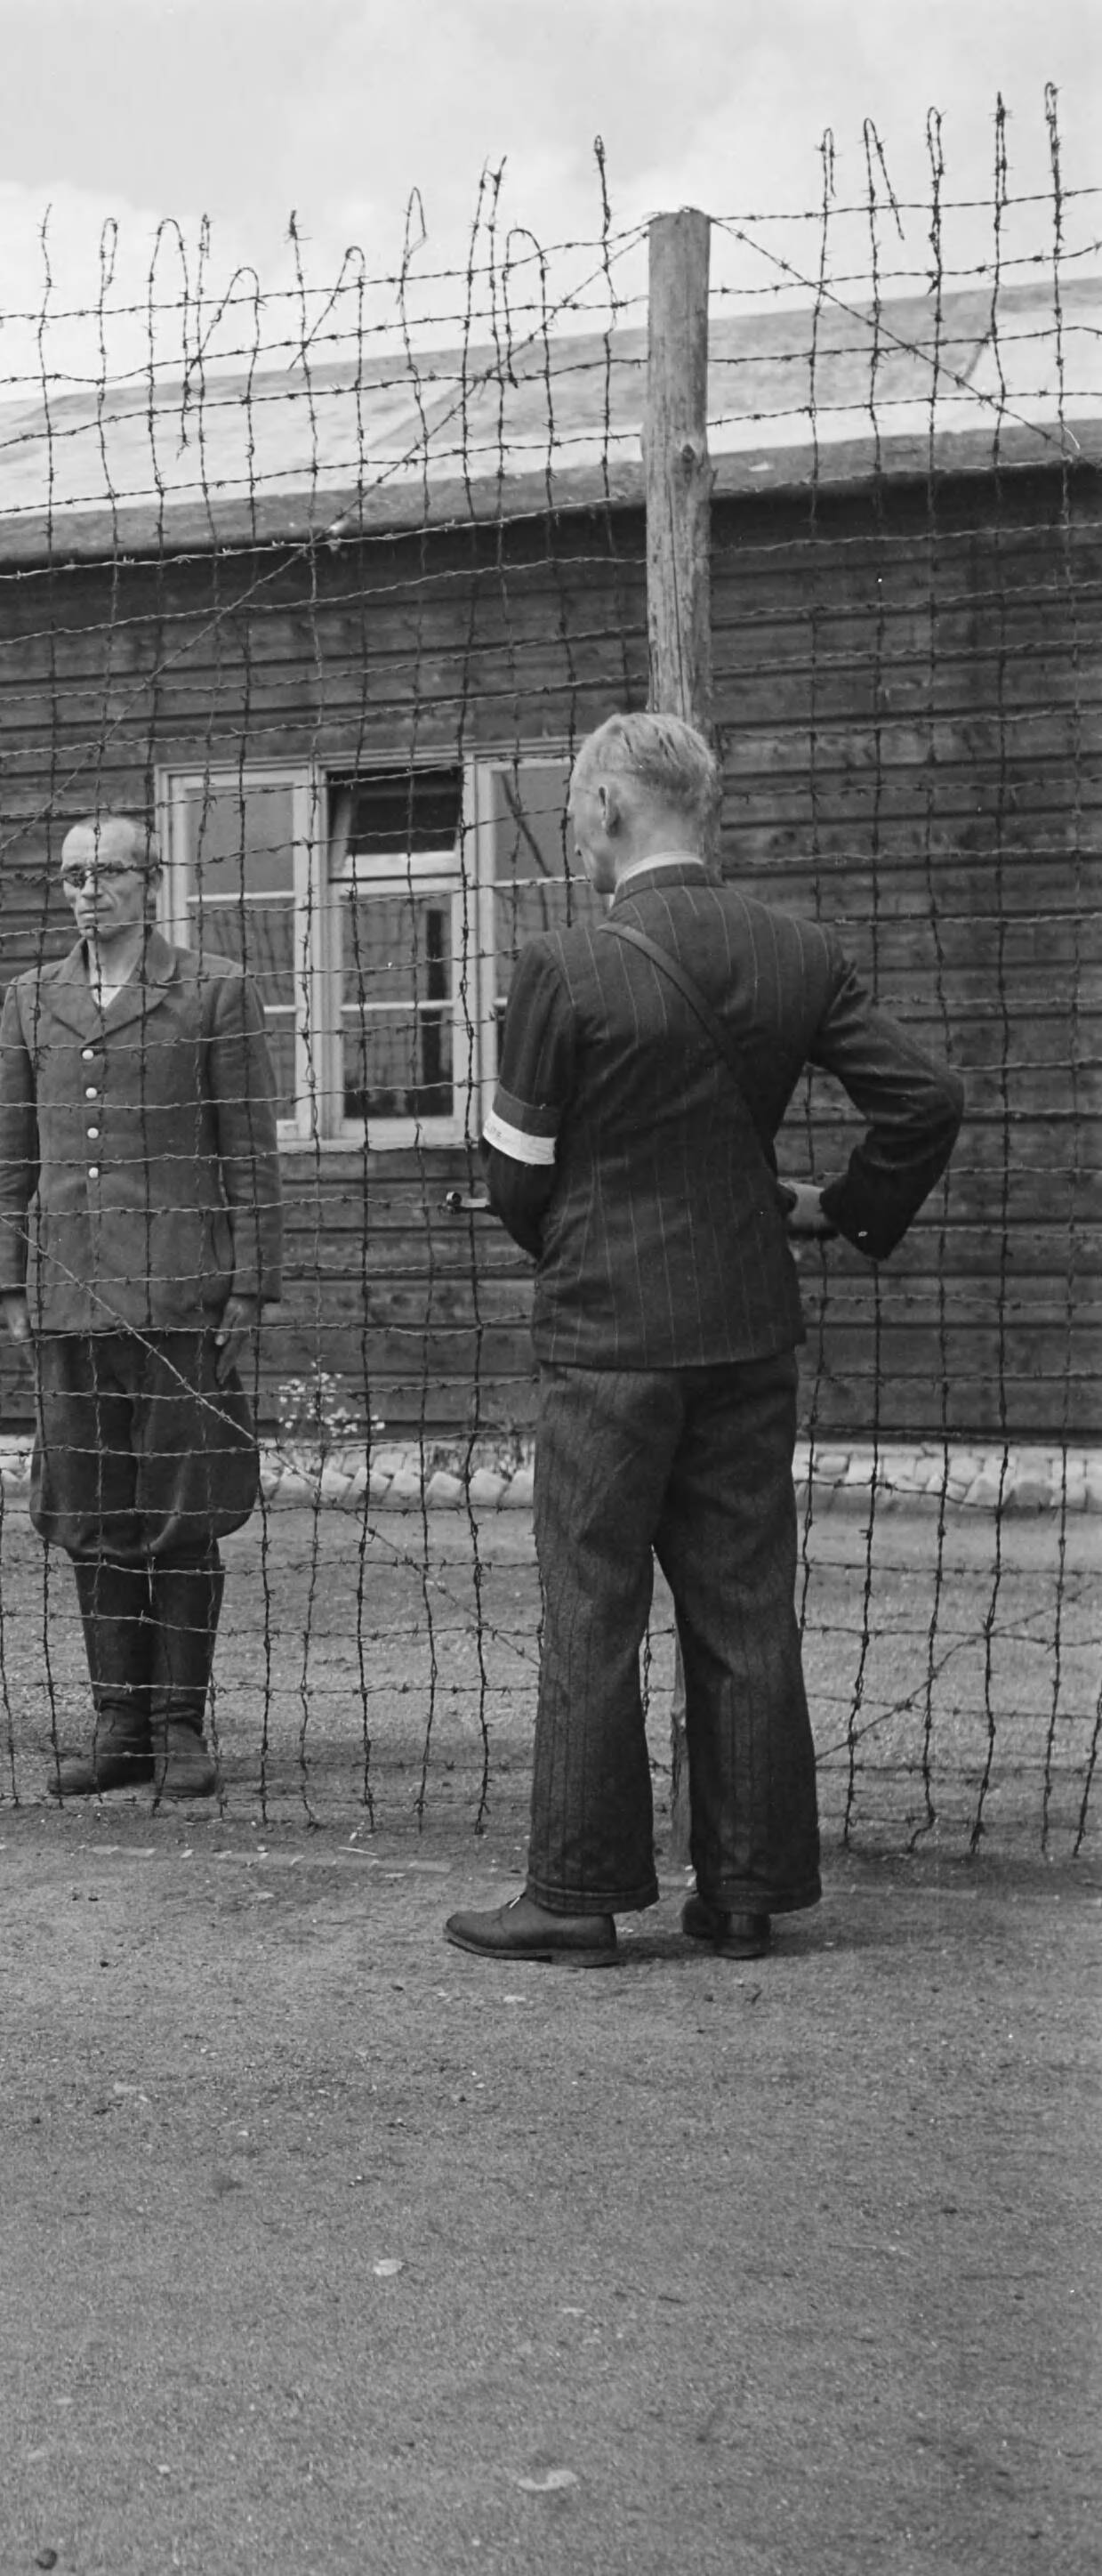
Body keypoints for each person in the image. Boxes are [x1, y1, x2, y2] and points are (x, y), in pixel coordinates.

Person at [445, 713, 963, 1968]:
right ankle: (747, 1891)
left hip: (607, 1338)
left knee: (591, 1606)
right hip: (746, 1327)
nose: (574, 832)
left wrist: (584, 1245)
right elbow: (926, 1099)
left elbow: (514, 1178)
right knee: (743, 1608)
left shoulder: (562, 966)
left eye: (574, 810)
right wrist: (841, 1208)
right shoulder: (796, 952)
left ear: (610, 807)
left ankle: (575, 1895)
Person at [0, 812, 282, 1799]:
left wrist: (249, 1281)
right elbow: (10, 1156)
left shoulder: (214, 990)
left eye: (108, 872)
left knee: (181, 1513)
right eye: (73, 876)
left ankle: (178, 1724)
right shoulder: (30, 999)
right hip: (68, 1294)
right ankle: (118, 1723)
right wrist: (10, 1278)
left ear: (151, 883)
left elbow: (249, 1150)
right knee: (91, 1511)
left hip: (179, 1295)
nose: (88, 891)